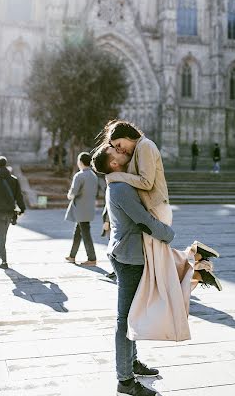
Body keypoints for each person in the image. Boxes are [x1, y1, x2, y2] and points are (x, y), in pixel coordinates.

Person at [96, 120, 221, 342]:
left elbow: (145, 182)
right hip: (151, 212)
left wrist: (115, 177)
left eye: (118, 144)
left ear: (126, 134)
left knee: (161, 270)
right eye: (115, 148)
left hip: (156, 209)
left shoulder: (144, 147)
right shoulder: (137, 152)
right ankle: (196, 260)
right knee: (160, 265)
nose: (120, 149)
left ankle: (195, 262)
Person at [92, 144, 176, 396]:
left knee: (133, 314)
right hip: (129, 257)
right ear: (114, 164)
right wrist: (167, 234)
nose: (121, 151)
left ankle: (132, 362)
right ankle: (125, 379)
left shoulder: (118, 183)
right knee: (125, 319)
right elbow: (143, 219)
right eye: (116, 151)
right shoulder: (120, 188)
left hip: (127, 252)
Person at [64, 152, 98, 266]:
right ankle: (72, 256)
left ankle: (92, 258)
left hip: (80, 208)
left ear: (80, 162)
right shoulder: (94, 175)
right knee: (78, 233)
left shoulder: (80, 175)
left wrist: (69, 195)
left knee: (85, 234)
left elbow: (73, 192)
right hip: (89, 208)